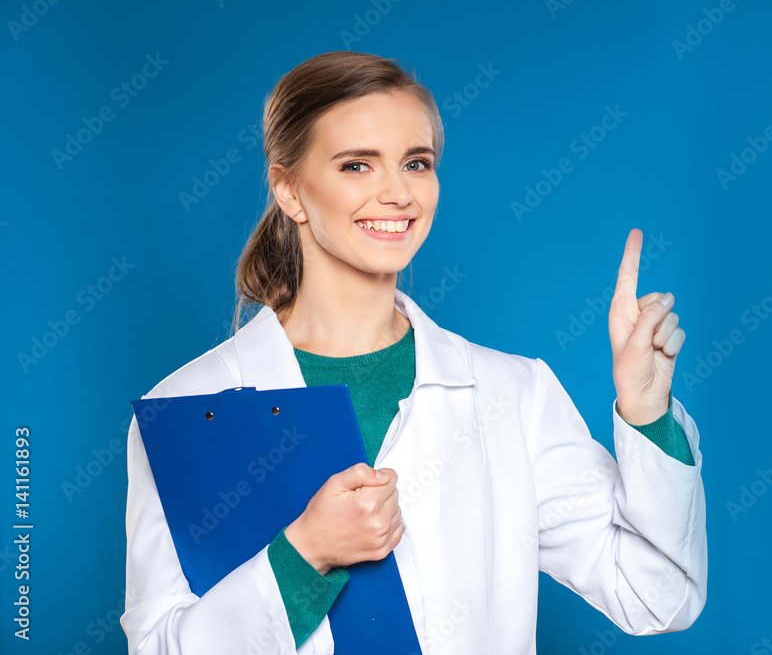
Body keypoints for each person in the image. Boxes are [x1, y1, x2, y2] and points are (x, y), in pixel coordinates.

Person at [121, 50, 707, 654]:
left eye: (416, 163)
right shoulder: (186, 408)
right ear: (289, 189)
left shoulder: (513, 394)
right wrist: (305, 556)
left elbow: (657, 595)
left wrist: (646, 413)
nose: (397, 193)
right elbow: (158, 647)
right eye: (356, 165)